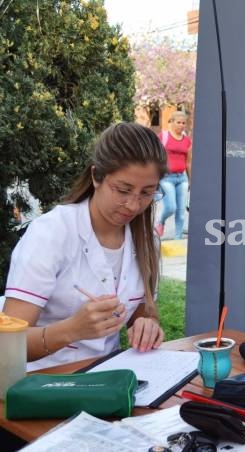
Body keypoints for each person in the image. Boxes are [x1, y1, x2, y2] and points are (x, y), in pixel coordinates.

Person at [4, 122, 167, 371]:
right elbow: (8, 344)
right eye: (123, 190)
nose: (134, 205)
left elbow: (143, 311)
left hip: (107, 380)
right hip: (43, 385)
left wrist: (148, 324)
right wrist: (71, 330)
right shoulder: (51, 233)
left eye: (147, 193)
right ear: (96, 177)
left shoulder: (146, 240)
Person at [155, 110, 191, 240]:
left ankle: (178, 239)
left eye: (184, 123)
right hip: (166, 178)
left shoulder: (187, 141)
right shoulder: (163, 136)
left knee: (181, 212)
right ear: (172, 122)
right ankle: (161, 221)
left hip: (182, 178)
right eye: (178, 122)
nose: (181, 125)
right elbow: (155, 156)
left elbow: (188, 162)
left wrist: (191, 181)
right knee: (171, 207)